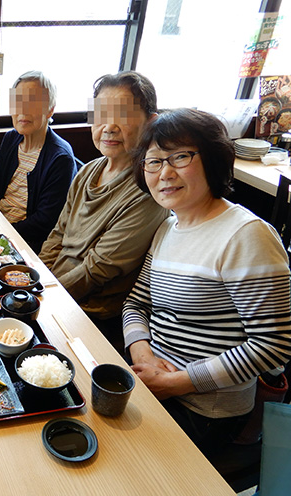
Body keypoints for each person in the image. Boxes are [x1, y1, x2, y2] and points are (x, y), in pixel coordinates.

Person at [122, 108, 291, 461]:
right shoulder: (170, 226)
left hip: (204, 411)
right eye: (153, 162)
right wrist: (145, 360)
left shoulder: (247, 235)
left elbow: (273, 345)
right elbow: (136, 304)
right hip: (153, 380)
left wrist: (175, 383)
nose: (165, 172)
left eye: (180, 157)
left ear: (212, 159)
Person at [39, 71, 169, 349]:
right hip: (53, 294)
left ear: (151, 122)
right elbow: (57, 235)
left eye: (122, 116)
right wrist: (35, 280)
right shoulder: (88, 170)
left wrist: (41, 297)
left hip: (91, 318)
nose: (108, 127)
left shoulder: (148, 190)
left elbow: (96, 271)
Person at [0, 71, 77, 253]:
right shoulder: (11, 138)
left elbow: (44, 222)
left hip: (24, 242)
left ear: (50, 109)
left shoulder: (60, 158)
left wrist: (0, 235)